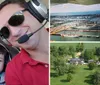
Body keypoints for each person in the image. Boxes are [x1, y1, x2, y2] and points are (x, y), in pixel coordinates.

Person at [0, 0, 49, 85]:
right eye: (5, 32)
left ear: (36, 12)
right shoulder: (14, 70)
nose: (15, 33)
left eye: (16, 19)